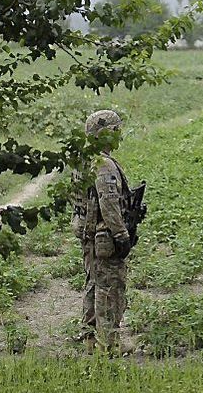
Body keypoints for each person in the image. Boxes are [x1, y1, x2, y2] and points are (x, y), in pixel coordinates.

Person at [72, 109, 133, 354]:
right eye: (116, 131)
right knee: (110, 288)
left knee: (93, 284)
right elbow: (109, 204)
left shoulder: (83, 160)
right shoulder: (103, 164)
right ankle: (109, 343)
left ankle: (89, 338)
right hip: (103, 236)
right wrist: (121, 235)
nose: (119, 135)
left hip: (89, 236)